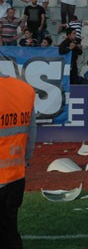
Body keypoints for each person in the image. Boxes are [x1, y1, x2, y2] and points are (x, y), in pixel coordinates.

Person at [0, 76, 36, 249]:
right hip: (15, 174)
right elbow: (31, 133)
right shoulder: (24, 89)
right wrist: (24, 160)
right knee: (10, 230)